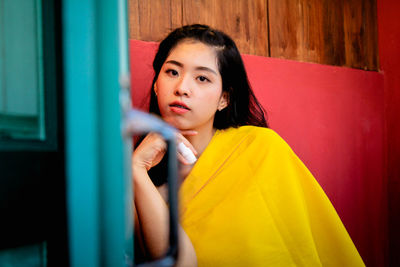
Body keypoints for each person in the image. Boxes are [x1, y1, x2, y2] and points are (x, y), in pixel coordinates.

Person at [132, 24, 364, 266]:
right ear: (156, 84)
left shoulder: (259, 149)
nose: (182, 88)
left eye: (202, 78)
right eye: (172, 72)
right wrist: (137, 170)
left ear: (224, 98)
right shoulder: (138, 171)